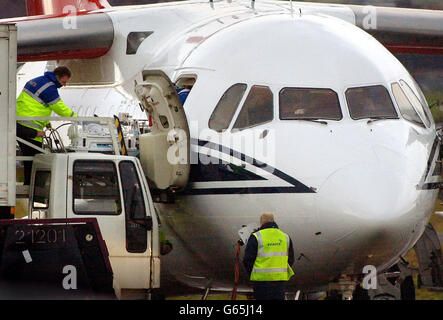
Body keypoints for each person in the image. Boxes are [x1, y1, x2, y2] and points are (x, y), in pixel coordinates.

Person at [16, 66, 78, 185]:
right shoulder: (49, 88)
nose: (64, 85)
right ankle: (33, 186)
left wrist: (46, 123)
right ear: (57, 77)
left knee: (31, 159)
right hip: (30, 125)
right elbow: (60, 108)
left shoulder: (39, 80)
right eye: (63, 81)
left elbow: (37, 105)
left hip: (21, 121)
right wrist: (75, 117)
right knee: (36, 160)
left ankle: (30, 184)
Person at [243, 213, 295, 300]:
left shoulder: (256, 236)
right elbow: (290, 259)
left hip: (261, 282)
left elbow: (247, 260)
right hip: (279, 282)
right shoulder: (285, 237)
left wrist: (253, 274)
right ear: (273, 221)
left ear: (261, 223)